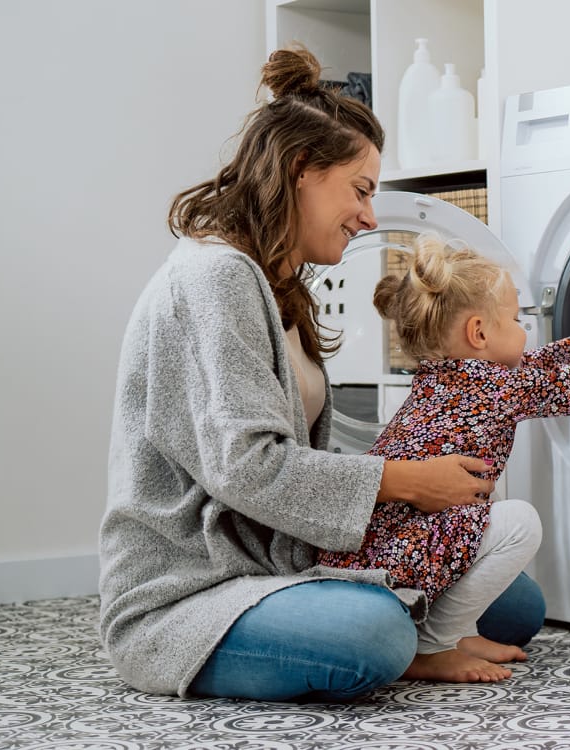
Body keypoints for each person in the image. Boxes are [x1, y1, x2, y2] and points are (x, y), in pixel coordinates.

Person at [98, 46, 535, 702]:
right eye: (360, 190)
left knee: (518, 603)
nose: (368, 215)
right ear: (302, 169)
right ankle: (409, 643)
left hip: (280, 558)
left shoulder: (278, 283)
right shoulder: (215, 276)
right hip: (193, 590)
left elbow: (298, 463)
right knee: (376, 636)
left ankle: (409, 629)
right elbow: (247, 467)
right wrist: (408, 484)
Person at [317, 233, 570, 682]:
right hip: (396, 560)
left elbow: (545, 362)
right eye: (516, 320)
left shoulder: (451, 377)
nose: (524, 329)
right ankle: (435, 645)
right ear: (478, 333)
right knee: (518, 523)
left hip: (382, 550)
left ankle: (459, 632)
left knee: (478, 517)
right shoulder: (494, 387)